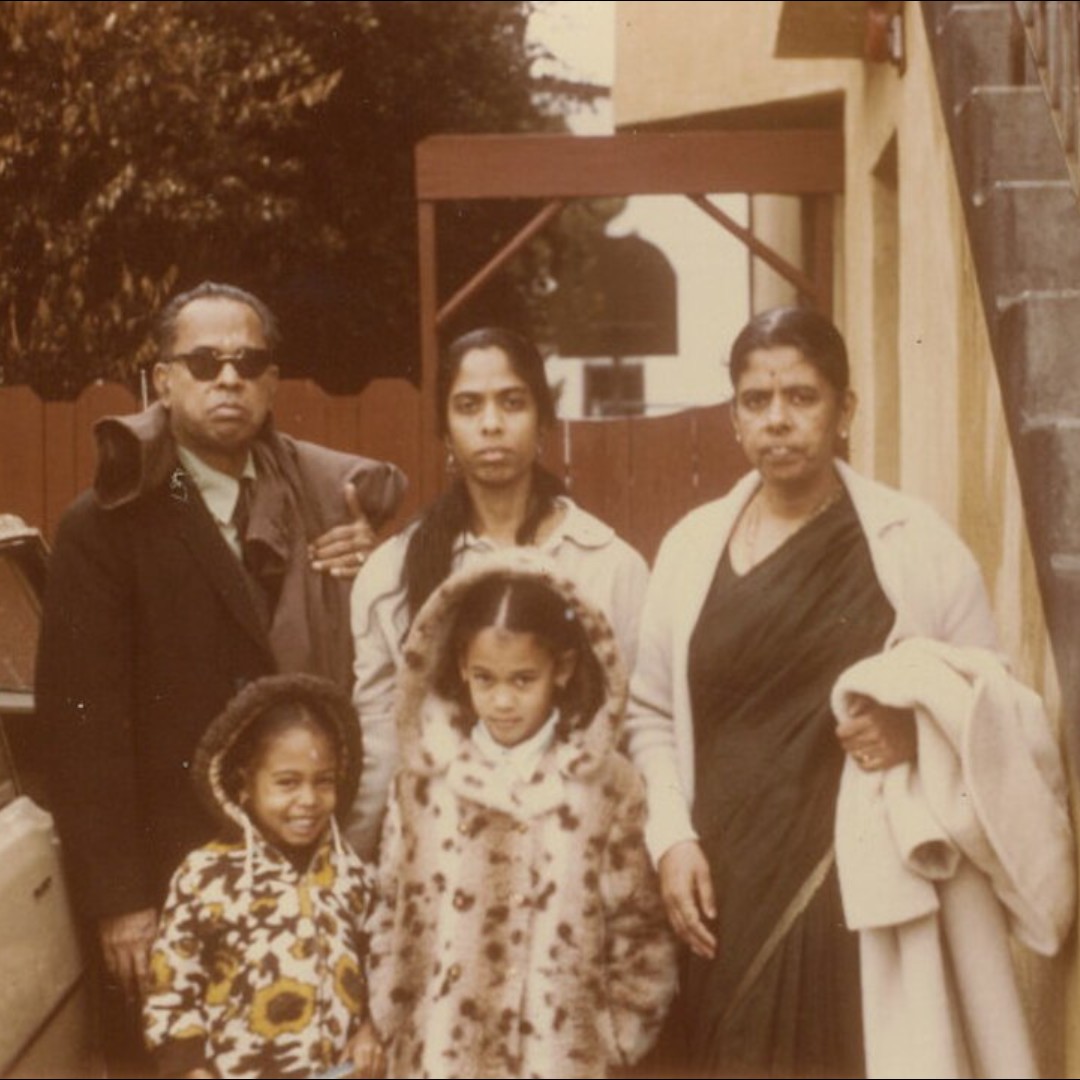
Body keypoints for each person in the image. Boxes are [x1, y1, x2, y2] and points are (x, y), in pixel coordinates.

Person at [625, 306, 1074, 1078]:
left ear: (844, 410)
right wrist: (671, 840)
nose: (778, 419)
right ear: (734, 417)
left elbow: (992, 702)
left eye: (802, 397)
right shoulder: (690, 547)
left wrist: (917, 730)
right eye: (756, 400)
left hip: (856, 888)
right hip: (720, 882)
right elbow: (652, 712)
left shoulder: (915, 545)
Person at [35, 281, 405, 1074]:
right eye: (204, 362)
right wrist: (122, 901)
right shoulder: (108, 523)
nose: (228, 378)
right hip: (170, 892)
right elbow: (82, 731)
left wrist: (370, 573)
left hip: (305, 881)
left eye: (249, 362)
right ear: (162, 381)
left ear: (272, 384)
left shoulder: (319, 509)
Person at [366, 550, 677, 1078]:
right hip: (436, 1057)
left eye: (523, 680)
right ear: (461, 666)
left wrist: (617, 1037)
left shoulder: (606, 786)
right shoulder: (423, 781)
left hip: (556, 1059)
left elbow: (638, 925)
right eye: (485, 679)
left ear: (563, 669)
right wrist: (390, 1010)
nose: (502, 701)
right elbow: (389, 906)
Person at [346, 326, 649, 859]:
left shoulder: (607, 565)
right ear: (444, 430)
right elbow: (381, 741)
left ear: (543, 420)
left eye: (512, 402)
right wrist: (354, 862)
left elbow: (634, 728)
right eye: (468, 406)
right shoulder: (392, 574)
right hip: (442, 865)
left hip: (573, 861)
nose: (491, 424)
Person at [143, 672, 384, 1080]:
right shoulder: (204, 876)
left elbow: (380, 971)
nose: (308, 800)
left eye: (323, 781)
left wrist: (369, 1029)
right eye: (287, 783)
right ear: (244, 784)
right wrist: (189, 1069)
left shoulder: (352, 875)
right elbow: (170, 992)